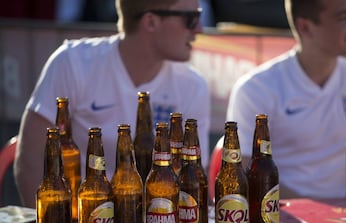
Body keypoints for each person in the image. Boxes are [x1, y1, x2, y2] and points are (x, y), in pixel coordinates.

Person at [14, 0, 210, 208]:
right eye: (191, 19)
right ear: (151, 21)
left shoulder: (193, 85)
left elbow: (193, 181)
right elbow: (31, 161)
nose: (200, 28)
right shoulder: (73, 62)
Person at [226, 0, 346, 199]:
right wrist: (320, 213)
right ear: (304, 26)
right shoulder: (256, 88)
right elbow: (245, 175)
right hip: (286, 222)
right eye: (344, 17)